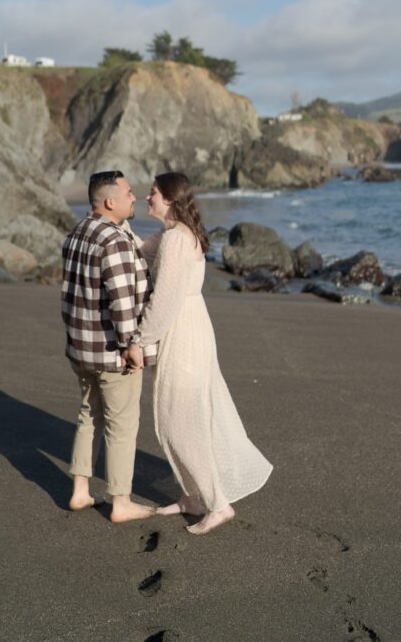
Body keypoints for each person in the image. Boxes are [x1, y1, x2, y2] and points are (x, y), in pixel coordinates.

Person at [132, 171, 273, 534]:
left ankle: (217, 503)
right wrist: (115, 228)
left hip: (183, 331)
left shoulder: (177, 240)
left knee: (179, 422)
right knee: (185, 416)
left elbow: (163, 301)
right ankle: (193, 497)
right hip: (192, 326)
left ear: (169, 199)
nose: (147, 198)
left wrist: (139, 339)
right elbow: (143, 251)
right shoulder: (173, 234)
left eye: (152, 194)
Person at [60, 170, 158, 523]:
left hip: (80, 349)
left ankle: (80, 491)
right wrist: (131, 345)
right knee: (122, 424)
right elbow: (121, 302)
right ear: (110, 201)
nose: (135, 198)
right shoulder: (114, 240)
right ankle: (121, 502)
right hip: (110, 351)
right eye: (129, 193)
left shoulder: (77, 233)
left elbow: (70, 295)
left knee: (89, 416)